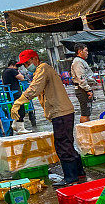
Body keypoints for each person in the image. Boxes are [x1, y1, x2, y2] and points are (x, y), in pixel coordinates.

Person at [10, 50, 84, 186]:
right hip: (61, 112)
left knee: (62, 145)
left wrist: (18, 102)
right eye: (24, 65)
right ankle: (79, 173)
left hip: (60, 112)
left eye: (27, 63)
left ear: (35, 59)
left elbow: (34, 88)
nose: (26, 67)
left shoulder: (43, 68)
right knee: (67, 142)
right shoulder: (42, 69)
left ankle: (71, 177)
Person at [2, 59, 36, 132]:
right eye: (17, 66)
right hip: (16, 92)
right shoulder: (12, 70)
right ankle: (21, 128)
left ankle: (15, 124)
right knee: (21, 109)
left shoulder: (4, 71)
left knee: (16, 109)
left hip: (9, 93)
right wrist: (19, 72)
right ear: (13, 65)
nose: (17, 68)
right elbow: (22, 78)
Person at [71, 44, 96, 123]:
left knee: (87, 113)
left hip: (84, 89)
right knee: (85, 113)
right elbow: (81, 78)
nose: (87, 53)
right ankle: (84, 132)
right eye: (86, 50)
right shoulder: (78, 62)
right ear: (80, 51)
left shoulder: (81, 61)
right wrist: (88, 90)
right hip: (82, 90)